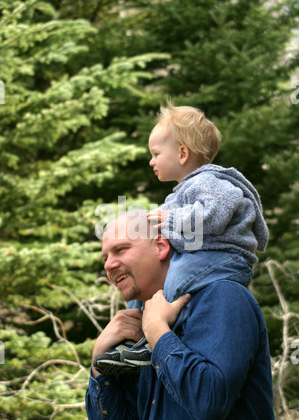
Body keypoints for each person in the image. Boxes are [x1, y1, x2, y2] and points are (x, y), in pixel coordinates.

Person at [94, 103, 269, 373]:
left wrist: (171, 220)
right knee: (145, 293)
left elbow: (217, 213)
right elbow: (166, 218)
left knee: (173, 281)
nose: (151, 161)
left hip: (225, 255)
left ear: (183, 153)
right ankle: (136, 343)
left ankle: (153, 340)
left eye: (155, 154)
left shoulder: (208, 181)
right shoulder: (181, 192)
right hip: (207, 252)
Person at [85, 211, 278, 420]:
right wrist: (98, 366)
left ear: (160, 246)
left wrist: (158, 334)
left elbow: (210, 403)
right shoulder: (141, 321)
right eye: (105, 257)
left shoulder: (223, 295)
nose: (108, 265)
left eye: (121, 250)